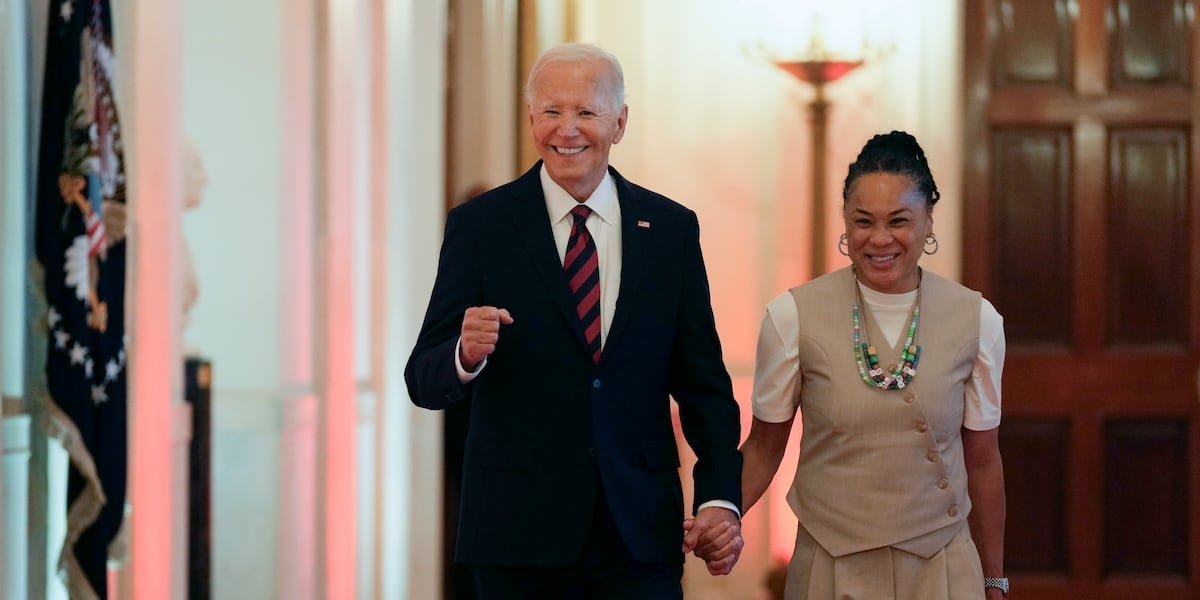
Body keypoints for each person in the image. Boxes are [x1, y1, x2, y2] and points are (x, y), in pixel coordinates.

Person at [404, 42, 744, 598]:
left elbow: (705, 387)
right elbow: (423, 379)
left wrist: (718, 499)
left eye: (586, 112)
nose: (568, 129)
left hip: (639, 537)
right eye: (552, 111)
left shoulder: (671, 231)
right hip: (516, 541)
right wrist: (463, 356)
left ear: (620, 121)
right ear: (531, 119)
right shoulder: (480, 227)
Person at [701, 131, 1008, 599]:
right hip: (831, 568)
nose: (879, 238)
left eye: (898, 221)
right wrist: (721, 514)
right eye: (863, 221)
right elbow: (764, 448)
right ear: (845, 221)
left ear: (928, 221)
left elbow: (983, 461)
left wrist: (994, 580)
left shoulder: (977, 319)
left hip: (943, 570)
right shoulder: (791, 316)